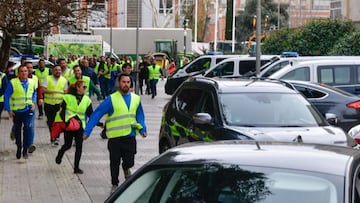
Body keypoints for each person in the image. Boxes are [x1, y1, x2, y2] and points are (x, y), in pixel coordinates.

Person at [83, 73, 147, 192]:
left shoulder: (136, 98)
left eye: (128, 82)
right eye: (123, 82)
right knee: (114, 162)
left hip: (130, 135)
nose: (126, 84)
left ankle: (126, 167)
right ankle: (115, 184)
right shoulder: (111, 99)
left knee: (130, 160)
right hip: (115, 138)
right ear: (118, 83)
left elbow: (140, 115)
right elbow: (97, 113)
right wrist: (88, 130)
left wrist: (143, 128)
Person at [55, 80, 93, 174]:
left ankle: (76, 168)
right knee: (67, 145)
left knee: (79, 146)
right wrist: (66, 122)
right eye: (83, 87)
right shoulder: (67, 97)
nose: (85, 89)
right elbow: (62, 111)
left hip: (80, 126)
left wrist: (98, 123)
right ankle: (61, 153)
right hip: (70, 126)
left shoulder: (87, 100)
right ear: (77, 87)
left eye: (85, 87)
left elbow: (90, 114)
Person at [4, 66, 37, 159]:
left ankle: (25, 149)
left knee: (27, 127)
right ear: (18, 73)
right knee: (17, 130)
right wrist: (9, 110)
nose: (24, 73)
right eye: (22, 71)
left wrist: (34, 102)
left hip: (28, 110)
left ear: (28, 72)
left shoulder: (32, 82)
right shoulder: (13, 83)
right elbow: (6, 96)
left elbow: (34, 93)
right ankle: (19, 147)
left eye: (26, 71)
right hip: (17, 111)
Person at [42, 65, 68, 146]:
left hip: (59, 105)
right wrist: (52, 92)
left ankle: (56, 137)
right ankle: (52, 135)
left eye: (59, 70)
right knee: (50, 122)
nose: (58, 71)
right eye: (56, 70)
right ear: (53, 71)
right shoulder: (48, 78)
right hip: (48, 104)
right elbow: (43, 89)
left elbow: (66, 92)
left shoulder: (64, 80)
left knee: (57, 122)